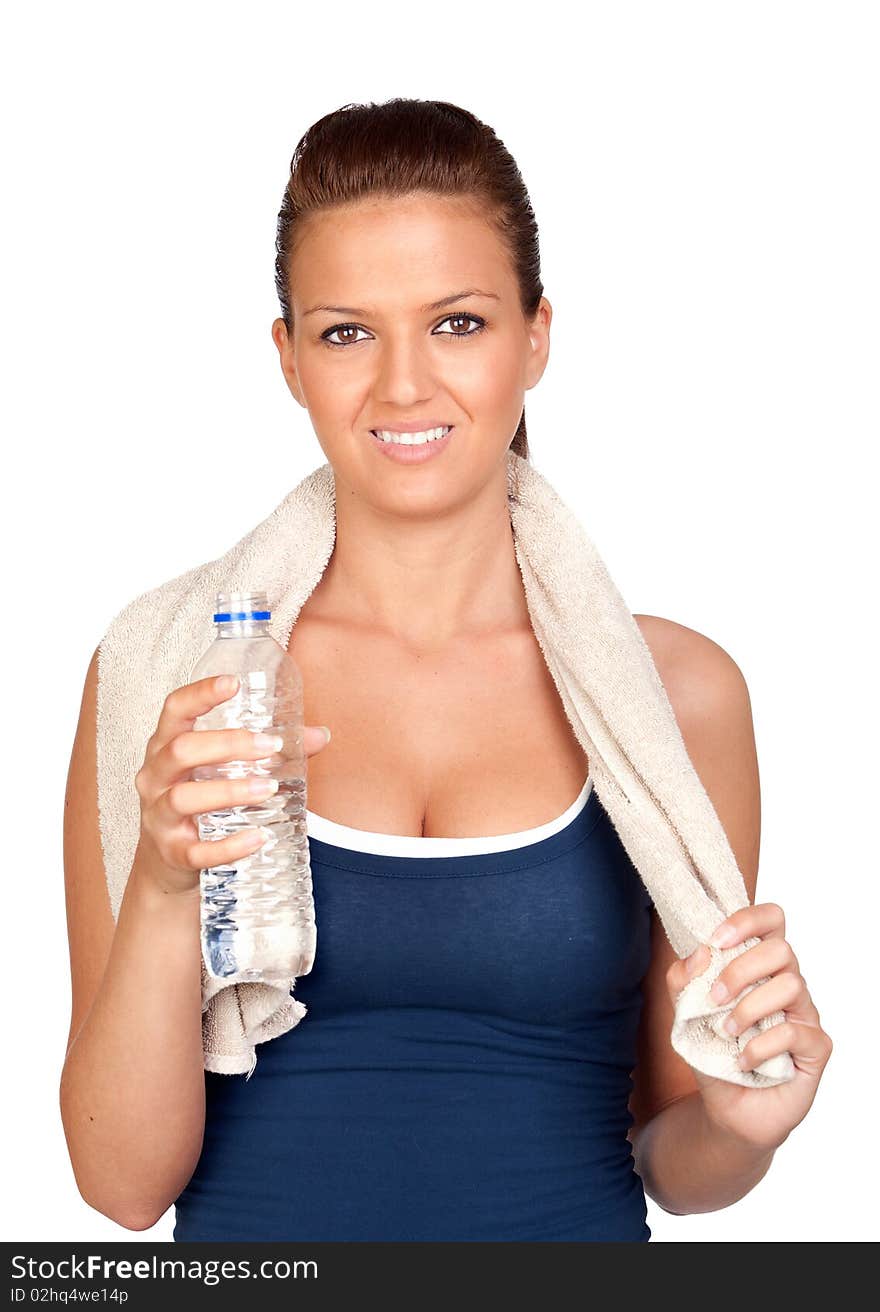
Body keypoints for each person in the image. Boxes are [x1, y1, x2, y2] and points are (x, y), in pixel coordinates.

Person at [60, 98, 833, 1242]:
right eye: (346, 332)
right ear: (287, 359)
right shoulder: (170, 682)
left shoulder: (680, 698)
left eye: (458, 324)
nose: (405, 386)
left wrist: (748, 1124)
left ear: (537, 335)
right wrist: (171, 886)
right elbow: (122, 1186)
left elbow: (676, 1156)